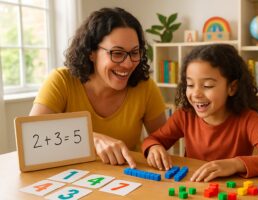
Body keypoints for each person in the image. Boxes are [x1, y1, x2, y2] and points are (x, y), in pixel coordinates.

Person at [29, 7, 166, 168]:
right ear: (91, 52)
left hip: (128, 179)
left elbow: (162, 139)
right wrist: (90, 139)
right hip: (71, 180)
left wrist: (155, 146)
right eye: (117, 53)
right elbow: (31, 137)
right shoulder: (61, 81)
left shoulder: (145, 87)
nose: (128, 64)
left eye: (135, 52)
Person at [142, 44, 258, 182]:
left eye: (207, 85)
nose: (196, 94)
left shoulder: (247, 119)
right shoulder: (185, 115)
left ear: (232, 88)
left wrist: (236, 164)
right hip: (193, 188)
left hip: (230, 191)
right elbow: (153, 139)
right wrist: (154, 147)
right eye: (190, 84)